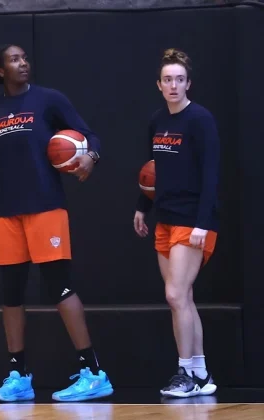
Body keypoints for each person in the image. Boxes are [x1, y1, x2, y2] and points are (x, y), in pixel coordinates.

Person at [0, 44, 114, 402]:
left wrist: (90, 156)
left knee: (60, 287)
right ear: (0, 70)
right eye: (14, 60)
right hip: (8, 214)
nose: (23, 63)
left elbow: (91, 135)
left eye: (25, 58)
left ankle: (94, 373)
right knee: (11, 294)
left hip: (46, 208)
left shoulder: (48, 100)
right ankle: (19, 377)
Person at [134, 48, 219, 398]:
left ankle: (184, 372)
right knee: (182, 298)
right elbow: (152, 170)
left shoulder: (200, 119)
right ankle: (200, 373)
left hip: (193, 220)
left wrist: (203, 223)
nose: (173, 85)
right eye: (167, 79)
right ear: (159, 84)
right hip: (165, 218)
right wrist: (143, 207)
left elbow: (211, 174)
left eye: (179, 79)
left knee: (175, 294)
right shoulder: (157, 121)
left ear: (188, 84)